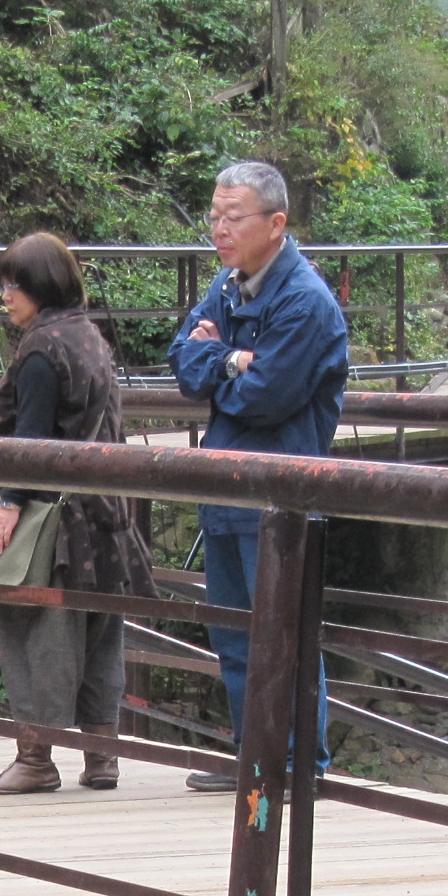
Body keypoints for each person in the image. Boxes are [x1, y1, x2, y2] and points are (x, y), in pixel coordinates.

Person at [166, 160, 349, 793]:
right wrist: (231, 360)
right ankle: (256, 758)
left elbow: (266, 396)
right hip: (226, 488)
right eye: (214, 216)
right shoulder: (226, 286)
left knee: (284, 637)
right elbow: (182, 362)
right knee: (236, 636)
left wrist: (219, 360)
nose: (219, 229)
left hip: (279, 495)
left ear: (276, 223)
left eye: (233, 217)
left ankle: (297, 767)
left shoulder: (304, 301)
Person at [0, 233, 157, 794]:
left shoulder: (40, 350)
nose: (5, 295)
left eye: (14, 284)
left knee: (37, 633)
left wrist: (9, 503)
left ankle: (35, 758)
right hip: (106, 513)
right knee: (99, 635)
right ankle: (102, 757)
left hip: (56, 521)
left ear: (42, 285)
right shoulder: (89, 335)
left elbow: (31, 442)